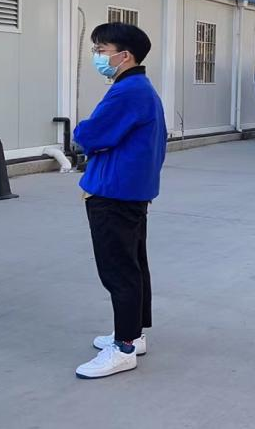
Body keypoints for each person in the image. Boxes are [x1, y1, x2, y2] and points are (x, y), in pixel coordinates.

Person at [73, 22, 166, 380]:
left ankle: (124, 347)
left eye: (101, 50)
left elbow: (91, 134)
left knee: (118, 270)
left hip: (113, 192)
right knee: (133, 264)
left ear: (124, 55)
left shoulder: (127, 91)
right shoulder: (140, 88)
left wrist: (83, 131)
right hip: (130, 190)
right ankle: (133, 334)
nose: (97, 56)